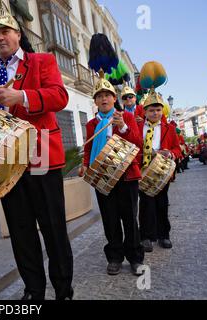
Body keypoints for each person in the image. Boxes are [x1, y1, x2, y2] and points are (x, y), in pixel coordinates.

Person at [0, 1, 73, 300]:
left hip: (41, 159)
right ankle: (34, 291)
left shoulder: (42, 62)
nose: (0, 38)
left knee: (53, 229)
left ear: (18, 34)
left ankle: (62, 289)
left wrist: (21, 96)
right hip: (7, 166)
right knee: (21, 234)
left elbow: (60, 96)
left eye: (5, 31)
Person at [79, 78, 145, 276]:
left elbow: (137, 144)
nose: (104, 99)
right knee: (110, 219)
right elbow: (89, 147)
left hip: (126, 177)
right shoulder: (92, 124)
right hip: (102, 175)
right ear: (96, 101)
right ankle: (115, 257)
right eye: (99, 96)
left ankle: (135, 257)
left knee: (130, 219)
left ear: (114, 98)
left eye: (107, 95)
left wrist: (123, 127)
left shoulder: (126, 117)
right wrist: (84, 165)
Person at [138, 91, 181, 252]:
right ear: (145, 112)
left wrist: (170, 153)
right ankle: (146, 237)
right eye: (151, 110)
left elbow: (177, 149)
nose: (155, 113)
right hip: (143, 171)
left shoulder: (169, 129)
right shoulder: (138, 127)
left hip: (161, 172)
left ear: (162, 111)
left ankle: (164, 235)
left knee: (162, 203)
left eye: (158, 110)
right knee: (145, 204)